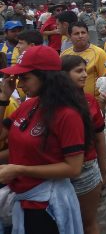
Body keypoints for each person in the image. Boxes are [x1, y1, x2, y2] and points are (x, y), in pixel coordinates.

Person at [0, 45, 93, 233]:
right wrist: (3, 98)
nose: (19, 84)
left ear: (46, 77)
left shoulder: (67, 115)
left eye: (25, 78)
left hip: (46, 205)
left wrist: (18, 169)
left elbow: (73, 168)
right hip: (24, 198)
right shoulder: (30, 105)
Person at [62, 55, 106, 234]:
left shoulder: (88, 101)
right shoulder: (51, 102)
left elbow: (98, 137)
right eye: (78, 71)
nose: (84, 75)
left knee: (87, 222)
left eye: (85, 70)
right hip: (59, 170)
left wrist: (103, 170)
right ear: (63, 75)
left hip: (87, 170)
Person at [61, 21, 106, 98]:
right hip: (70, 101)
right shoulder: (64, 55)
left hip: (94, 103)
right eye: (76, 34)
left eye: (83, 33)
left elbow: (105, 80)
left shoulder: (99, 53)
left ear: (88, 35)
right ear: (70, 37)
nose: (80, 36)